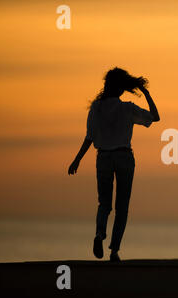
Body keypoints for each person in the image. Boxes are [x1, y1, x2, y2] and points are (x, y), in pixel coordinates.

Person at [67, 67, 160, 262]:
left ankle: (100, 234)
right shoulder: (127, 108)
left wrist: (77, 159)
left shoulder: (96, 107)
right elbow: (155, 117)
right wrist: (146, 93)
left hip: (103, 158)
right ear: (121, 88)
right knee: (122, 207)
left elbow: (89, 137)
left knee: (104, 204)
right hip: (124, 157)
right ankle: (114, 250)